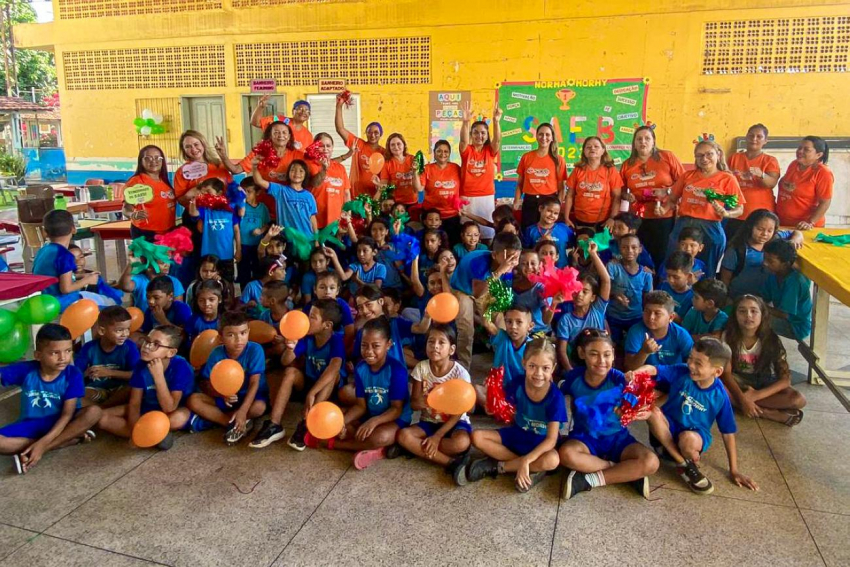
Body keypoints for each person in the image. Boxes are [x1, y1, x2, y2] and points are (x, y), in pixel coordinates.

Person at [641, 337, 759, 494]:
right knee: (653, 411)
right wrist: (635, 373)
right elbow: (653, 369)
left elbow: (728, 433)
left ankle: (682, 459)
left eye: (698, 363)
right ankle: (684, 464)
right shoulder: (682, 371)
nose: (691, 365)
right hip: (663, 433)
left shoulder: (720, 396)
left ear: (716, 372)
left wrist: (734, 470)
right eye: (690, 358)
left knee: (688, 439)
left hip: (692, 438)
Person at [560, 330, 658, 499]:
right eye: (593, 354)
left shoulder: (620, 379)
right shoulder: (573, 378)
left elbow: (642, 402)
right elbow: (553, 395)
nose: (601, 361)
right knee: (566, 454)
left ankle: (589, 479)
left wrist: (635, 409)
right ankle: (622, 471)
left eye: (606, 355)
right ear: (582, 353)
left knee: (651, 462)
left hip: (618, 439)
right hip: (584, 439)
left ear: (613, 354)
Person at [305, 317, 412, 470]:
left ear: (388, 345)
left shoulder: (397, 370)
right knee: (341, 421)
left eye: (376, 346)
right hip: (369, 412)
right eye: (364, 345)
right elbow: (360, 406)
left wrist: (374, 422)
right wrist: (341, 424)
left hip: (394, 419)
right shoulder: (361, 368)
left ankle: (336, 444)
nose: (369, 351)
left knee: (379, 437)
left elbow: (397, 409)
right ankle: (375, 448)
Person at [459, 338, 565, 493]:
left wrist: (527, 459)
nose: (538, 373)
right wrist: (490, 405)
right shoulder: (518, 383)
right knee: (477, 437)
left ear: (553, 368)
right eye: (532, 366)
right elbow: (501, 405)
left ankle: (500, 466)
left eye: (545, 368)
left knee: (553, 460)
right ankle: (527, 468)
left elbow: (551, 440)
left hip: (541, 443)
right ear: (524, 364)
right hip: (518, 434)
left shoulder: (556, 397)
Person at [0, 324, 101, 474]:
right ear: (38, 355)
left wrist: (44, 445)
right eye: (55, 353)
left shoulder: (72, 374)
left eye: (67, 351)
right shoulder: (28, 370)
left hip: (63, 421)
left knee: (94, 412)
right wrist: (41, 442)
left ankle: (40, 448)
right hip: (32, 423)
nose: (63, 358)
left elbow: (67, 414)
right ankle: (65, 441)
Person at [251, 299, 345, 450]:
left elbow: (334, 368)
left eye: (312, 317)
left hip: (326, 390)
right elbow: (284, 361)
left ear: (327, 325)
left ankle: (306, 423)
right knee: (290, 372)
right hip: (308, 383)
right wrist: (289, 348)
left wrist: (312, 393)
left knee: (333, 375)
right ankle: (274, 424)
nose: (306, 320)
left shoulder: (336, 340)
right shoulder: (306, 338)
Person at [97, 325, 193, 450]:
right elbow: (135, 403)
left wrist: (158, 376)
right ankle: (151, 436)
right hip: (147, 407)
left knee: (178, 418)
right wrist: (135, 430)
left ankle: (152, 434)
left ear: (171, 352)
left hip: (170, 411)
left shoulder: (181, 366)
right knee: (101, 418)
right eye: (147, 341)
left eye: (156, 344)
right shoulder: (141, 364)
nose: (147, 346)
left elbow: (169, 407)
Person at [662, 139, 745, 276]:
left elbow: (739, 208)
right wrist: (663, 209)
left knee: (706, 270)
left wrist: (727, 213)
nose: (704, 159)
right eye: (699, 155)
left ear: (718, 154)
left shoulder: (727, 179)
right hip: (684, 225)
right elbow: (672, 200)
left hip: (710, 228)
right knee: (675, 266)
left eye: (709, 154)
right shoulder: (688, 176)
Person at [721, 295, 807, 426]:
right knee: (715, 384)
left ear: (762, 315)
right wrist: (743, 399)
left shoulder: (771, 340)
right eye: (742, 311)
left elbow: (785, 379)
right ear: (735, 315)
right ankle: (766, 413)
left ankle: (740, 404)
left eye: (754, 311)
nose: (748, 315)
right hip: (737, 381)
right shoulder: (727, 337)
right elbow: (726, 374)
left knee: (798, 400)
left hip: (762, 382)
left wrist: (755, 396)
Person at [397, 325, 472, 474]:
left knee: (461, 442)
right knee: (403, 435)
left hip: (454, 423)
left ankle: (418, 448)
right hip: (429, 421)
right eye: (431, 342)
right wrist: (426, 401)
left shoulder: (460, 374)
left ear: (451, 349)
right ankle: (451, 463)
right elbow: (414, 404)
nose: (435, 346)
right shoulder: (421, 368)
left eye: (441, 343)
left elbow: (460, 412)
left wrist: (437, 437)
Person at [187, 311, 268, 444]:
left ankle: (234, 419)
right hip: (225, 399)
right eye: (231, 335)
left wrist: (243, 410)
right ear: (220, 338)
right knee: (193, 400)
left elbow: (255, 383)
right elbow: (206, 383)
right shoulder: (216, 353)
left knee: (259, 408)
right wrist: (221, 394)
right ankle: (231, 423)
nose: (239, 340)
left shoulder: (255, 350)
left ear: (248, 332)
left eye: (243, 333)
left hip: (250, 397)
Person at [450, 232, 522, 369]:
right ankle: (464, 368)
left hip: (487, 286)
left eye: (516, 258)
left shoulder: (509, 268)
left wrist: (489, 316)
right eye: (509, 257)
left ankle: (505, 362)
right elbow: (478, 293)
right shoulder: (478, 262)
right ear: (494, 255)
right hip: (463, 289)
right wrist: (500, 271)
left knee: (501, 322)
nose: (513, 262)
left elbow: (500, 296)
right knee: (466, 327)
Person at [620, 126, 684, 269]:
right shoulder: (627, 165)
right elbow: (622, 191)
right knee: (640, 254)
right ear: (634, 143)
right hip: (638, 218)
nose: (643, 142)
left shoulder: (667, 157)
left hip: (664, 215)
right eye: (639, 139)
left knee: (661, 254)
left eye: (647, 138)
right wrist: (627, 196)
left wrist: (666, 192)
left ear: (653, 141)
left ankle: (659, 286)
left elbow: (684, 183)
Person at [33, 210, 109, 311]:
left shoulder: (44, 250)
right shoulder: (64, 255)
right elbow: (66, 289)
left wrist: (81, 276)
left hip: (42, 300)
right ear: (73, 229)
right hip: (60, 302)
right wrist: (87, 280)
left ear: (45, 232)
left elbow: (52, 277)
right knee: (108, 303)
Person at [720, 209, 803, 300]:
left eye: (769, 231)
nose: (764, 234)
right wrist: (726, 300)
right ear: (750, 227)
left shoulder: (775, 240)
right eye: (760, 229)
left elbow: (796, 232)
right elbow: (725, 279)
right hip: (740, 299)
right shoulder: (737, 250)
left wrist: (795, 240)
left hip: (766, 299)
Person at [555, 241, 610, 369]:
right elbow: (562, 351)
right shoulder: (566, 320)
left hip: (599, 362)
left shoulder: (598, 310)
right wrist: (570, 373)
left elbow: (606, 281)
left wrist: (593, 254)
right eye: (576, 290)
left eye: (585, 291)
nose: (579, 295)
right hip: (577, 364)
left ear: (593, 298)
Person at [725, 124, 781, 242]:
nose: (754, 139)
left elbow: (772, 183)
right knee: (733, 246)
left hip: (760, 216)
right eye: (751, 135)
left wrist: (761, 174)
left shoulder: (770, 160)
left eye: (759, 136)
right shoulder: (734, 157)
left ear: (765, 141)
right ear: (746, 137)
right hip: (736, 212)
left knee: (755, 248)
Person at [75, 306, 140, 407]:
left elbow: (137, 374)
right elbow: (75, 374)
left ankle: (101, 410)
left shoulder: (129, 346)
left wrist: (109, 372)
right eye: (119, 330)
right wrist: (86, 373)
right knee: (76, 396)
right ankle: (101, 410)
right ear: (102, 331)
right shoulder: (89, 348)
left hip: (120, 390)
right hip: (97, 390)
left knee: (133, 387)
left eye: (128, 329)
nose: (125, 334)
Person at [475, 305, 534, 410]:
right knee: (476, 390)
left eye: (519, 322)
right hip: (500, 388)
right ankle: (502, 409)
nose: (513, 326)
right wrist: (488, 305)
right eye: (509, 322)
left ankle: (497, 409)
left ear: (530, 326)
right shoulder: (502, 337)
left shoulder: (532, 347)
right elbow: (486, 323)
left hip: (521, 391)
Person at [459, 100, 502, 240]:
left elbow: (498, 141)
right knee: (468, 235)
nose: (479, 136)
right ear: (471, 135)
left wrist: (496, 121)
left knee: (487, 234)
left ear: (487, 135)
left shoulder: (490, 151)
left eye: (483, 133)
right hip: (467, 197)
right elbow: (463, 141)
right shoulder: (467, 151)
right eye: (476, 133)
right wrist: (465, 122)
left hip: (486, 197)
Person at [216, 120, 304, 185]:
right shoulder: (259, 154)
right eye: (276, 132)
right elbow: (236, 170)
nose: (281, 136)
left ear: (289, 136)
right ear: (270, 135)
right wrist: (223, 156)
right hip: (263, 205)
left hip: (287, 204)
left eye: (284, 133)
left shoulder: (298, 155)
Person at [187, 178, 241, 282]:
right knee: (207, 281)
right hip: (208, 255)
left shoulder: (231, 208)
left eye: (208, 191)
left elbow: (236, 230)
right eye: (203, 192)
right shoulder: (205, 209)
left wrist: (238, 250)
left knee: (227, 281)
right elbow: (194, 213)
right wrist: (193, 202)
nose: (206, 195)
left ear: (220, 193)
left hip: (226, 254)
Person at [564, 136, 623, 231]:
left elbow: (617, 196)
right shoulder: (577, 170)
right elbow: (569, 195)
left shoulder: (610, 171)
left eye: (596, 146)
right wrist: (566, 217)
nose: (592, 149)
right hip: (579, 220)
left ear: (603, 150)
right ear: (584, 151)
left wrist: (612, 218)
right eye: (588, 147)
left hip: (603, 221)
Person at [514, 123, 567, 229]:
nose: (544, 137)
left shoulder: (558, 160)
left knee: (546, 235)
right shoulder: (526, 157)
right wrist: (516, 200)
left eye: (547, 135)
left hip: (549, 202)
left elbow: (562, 188)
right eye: (541, 134)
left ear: (552, 138)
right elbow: (520, 183)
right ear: (536, 136)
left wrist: (557, 206)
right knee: (528, 232)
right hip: (530, 202)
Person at [624, 291, 694, 370]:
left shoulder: (681, 334)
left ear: (671, 317)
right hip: (646, 378)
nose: (651, 317)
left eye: (657, 313)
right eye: (647, 311)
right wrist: (644, 352)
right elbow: (630, 368)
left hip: (674, 377)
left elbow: (692, 364)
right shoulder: (636, 331)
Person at [776, 136, 833, 230]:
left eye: (806, 149)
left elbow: (825, 202)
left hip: (804, 227)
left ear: (818, 155)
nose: (800, 151)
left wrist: (810, 222)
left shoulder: (823, 173)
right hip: (784, 222)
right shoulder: (794, 164)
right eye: (799, 148)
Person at [122, 145, 176, 240]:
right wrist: (132, 215)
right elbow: (126, 208)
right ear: (141, 161)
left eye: (157, 158)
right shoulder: (136, 182)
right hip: (146, 232)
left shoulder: (164, 180)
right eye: (148, 158)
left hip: (168, 231)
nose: (153, 161)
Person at [605, 233, 653, 341]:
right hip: (613, 316)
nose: (630, 250)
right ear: (619, 249)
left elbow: (648, 299)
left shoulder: (646, 274)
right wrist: (615, 295)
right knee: (612, 345)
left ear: (640, 249)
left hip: (636, 318)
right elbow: (604, 290)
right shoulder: (613, 267)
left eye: (634, 247)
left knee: (634, 345)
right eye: (625, 247)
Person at [413, 140, 463, 242]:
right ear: (434, 153)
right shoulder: (427, 169)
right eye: (439, 151)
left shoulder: (456, 168)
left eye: (446, 151)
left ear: (449, 154)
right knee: (431, 243)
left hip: (452, 215)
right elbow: (418, 189)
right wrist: (415, 172)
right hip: (432, 217)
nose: (443, 154)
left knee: (451, 243)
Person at [763, 239, 812, 341]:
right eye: (765, 258)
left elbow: (784, 314)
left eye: (770, 261)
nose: (765, 263)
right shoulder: (773, 274)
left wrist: (759, 306)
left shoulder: (795, 281)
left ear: (785, 264)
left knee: (753, 320)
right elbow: (764, 297)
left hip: (796, 326)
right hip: (782, 317)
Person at [335, 96, 383, 199]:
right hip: (355, 195)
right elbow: (340, 128)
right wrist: (339, 106)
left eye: (376, 132)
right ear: (366, 133)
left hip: (375, 197)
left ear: (381, 135)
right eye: (369, 132)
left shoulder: (384, 152)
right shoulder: (358, 144)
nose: (373, 135)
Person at [173, 130, 233, 202]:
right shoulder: (181, 172)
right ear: (184, 150)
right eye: (188, 147)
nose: (193, 149)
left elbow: (231, 190)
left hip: (222, 211)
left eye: (196, 144)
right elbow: (180, 200)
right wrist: (188, 196)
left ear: (203, 144)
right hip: (195, 211)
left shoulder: (219, 165)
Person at [310, 132, 351, 229]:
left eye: (328, 146)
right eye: (321, 146)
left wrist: (348, 217)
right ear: (315, 147)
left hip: (337, 222)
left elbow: (346, 194)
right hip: (316, 221)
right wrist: (324, 169)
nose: (325, 149)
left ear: (332, 148)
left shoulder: (340, 168)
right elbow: (314, 183)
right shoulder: (310, 165)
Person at [236, 177, 270, 288]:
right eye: (243, 191)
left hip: (258, 246)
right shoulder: (240, 208)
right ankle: (244, 298)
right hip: (243, 245)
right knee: (243, 274)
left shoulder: (263, 208)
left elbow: (267, 224)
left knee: (257, 272)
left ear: (258, 192)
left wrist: (261, 230)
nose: (246, 194)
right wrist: (238, 250)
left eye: (249, 192)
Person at [522, 196, 574, 268]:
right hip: (539, 271)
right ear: (540, 208)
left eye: (556, 213)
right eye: (549, 211)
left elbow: (572, 245)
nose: (552, 215)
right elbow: (525, 253)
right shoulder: (530, 230)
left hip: (562, 270)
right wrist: (540, 243)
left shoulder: (564, 229)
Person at [119, 253, 185, 308]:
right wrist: (131, 264)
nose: (167, 265)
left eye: (168, 262)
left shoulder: (174, 282)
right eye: (162, 263)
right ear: (148, 265)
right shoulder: (140, 280)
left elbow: (178, 307)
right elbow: (125, 286)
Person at [242, 255, 286, 319]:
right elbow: (239, 307)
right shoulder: (251, 286)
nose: (285, 273)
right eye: (282, 269)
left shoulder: (281, 287)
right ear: (271, 272)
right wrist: (247, 305)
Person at [658, 251, 695, 323]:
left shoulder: (692, 297)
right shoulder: (663, 286)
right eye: (668, 275)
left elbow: (685, 323)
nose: (671, 280)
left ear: (689, 276)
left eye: (676, 277)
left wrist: (668, 312)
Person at [186, 280, 223, 344]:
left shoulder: (223, 322)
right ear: (197, 301)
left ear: (219, 299)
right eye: (201, 300)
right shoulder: (193, 320)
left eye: (211, 300)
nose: (206, 304)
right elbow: (189, 343)